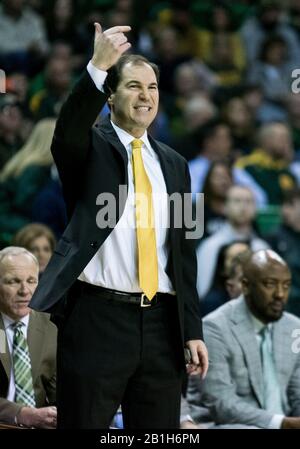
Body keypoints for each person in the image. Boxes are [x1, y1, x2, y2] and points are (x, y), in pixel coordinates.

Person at [29, 23, 208, 429]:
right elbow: (67, 131)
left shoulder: (177, 165)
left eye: (152, 87)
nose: (146, 96)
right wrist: (97, 65)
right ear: (110, 96)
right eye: (133, 86)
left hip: (163, 324)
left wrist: (191, 329)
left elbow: (184, 253)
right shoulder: (91, 147)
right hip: (98, 319)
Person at [189, 249, 300, 429]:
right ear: (246, 286)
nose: (280, 294)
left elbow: (297, 393)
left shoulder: (294, 327)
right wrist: (282, 423)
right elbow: (222, 405)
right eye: (270, 284)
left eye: (286, 285)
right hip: (229, 425)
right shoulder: (214, 327)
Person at [0, 247, 57, 428]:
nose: (25, 291)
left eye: (32, 281)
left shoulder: (52, 327)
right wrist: (20, 414)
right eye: (13, 282)